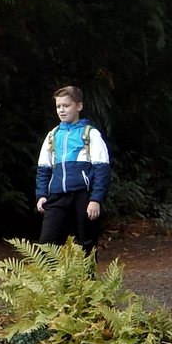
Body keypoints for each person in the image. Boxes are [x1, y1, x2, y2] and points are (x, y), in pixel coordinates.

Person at [36, 85, 110, 254]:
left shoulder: (91, 134)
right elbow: (43, 169)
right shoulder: (52, 135)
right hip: (56, 198)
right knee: (47, 249)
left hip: (82, 197)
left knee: (87, 249)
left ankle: (89, 281)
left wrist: (96, 200)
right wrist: (41, 195)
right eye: (58, 106)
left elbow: (102, 170)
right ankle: (51, 281)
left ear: (79, 106)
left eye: (66, 105)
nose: (61, 110)